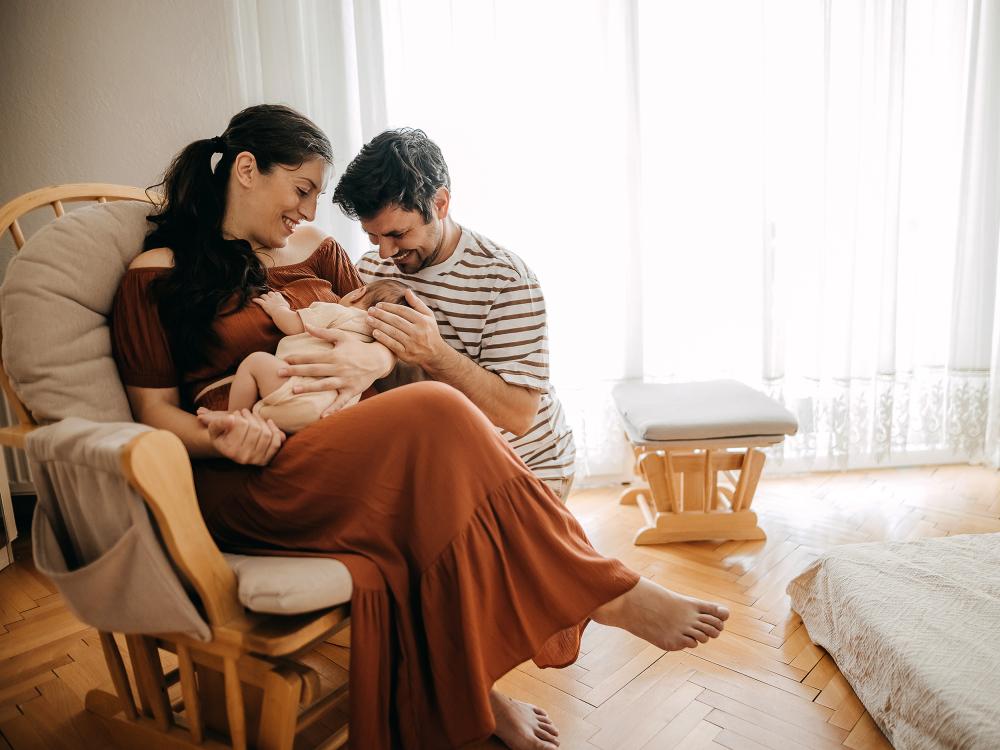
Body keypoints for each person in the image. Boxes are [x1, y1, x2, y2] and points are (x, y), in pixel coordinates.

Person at [111, 104, 730, 750]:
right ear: (246, 170)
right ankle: (600, 591)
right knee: (436, 413)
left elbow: (375, 337)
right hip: (253, 469)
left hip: (354, 444)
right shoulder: (156, 276)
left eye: (317, 198)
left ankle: (479, 690)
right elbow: (154, 415)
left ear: (439, 203)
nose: (311, 214)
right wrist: (226, 435)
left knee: (430, 454)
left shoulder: (324, 256)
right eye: (302, 191)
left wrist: (369, 363)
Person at [330, 129, 577, 501]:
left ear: (440, 203)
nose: (383, 253)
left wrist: (434, 353)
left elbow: (518, 415)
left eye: (398, 233)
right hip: (443, 467)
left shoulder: (505, 279)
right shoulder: (369, 272)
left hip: (525, 468)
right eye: (372, 236)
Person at [208, 279, 410, 433]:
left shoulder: (338, 311)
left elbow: (292, 324)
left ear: (358, 292)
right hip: (333, 412)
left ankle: (235, 417)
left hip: (297, 390)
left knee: (254, 362)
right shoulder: (378, 339)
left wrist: (279, 308)